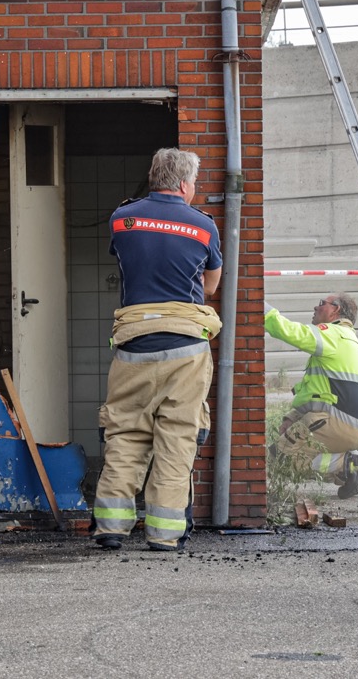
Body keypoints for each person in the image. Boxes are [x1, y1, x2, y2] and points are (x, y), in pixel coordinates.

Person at [91, 148, 223, 552]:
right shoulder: (203, 226)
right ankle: (164, 534)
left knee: (125, 434)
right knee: (177, 438)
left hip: (133, 344)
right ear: (184, 184)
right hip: (185, 349)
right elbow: (210, 286)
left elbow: (129, 260)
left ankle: (111, 528)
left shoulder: (122, 218)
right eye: (194, 185)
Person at [264, 293, 358, 499]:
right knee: (299, 448)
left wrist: (258, 307)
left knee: (280, 460)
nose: (315, 308)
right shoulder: (350, 340)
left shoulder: (332, 333)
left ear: (335, 310)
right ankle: (353, 463)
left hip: (341, 423)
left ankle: (348, 465)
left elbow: (291, 332)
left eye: (321, 304)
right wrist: (292, 417)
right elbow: (319, 392)